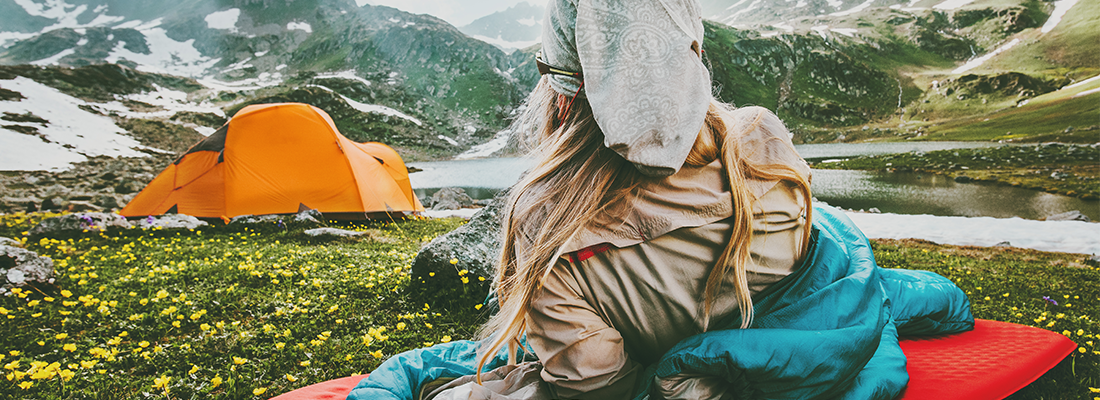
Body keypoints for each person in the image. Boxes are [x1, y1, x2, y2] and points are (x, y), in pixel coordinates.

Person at [348, 0, 973, 399]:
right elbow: (810, 251)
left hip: (691, 369)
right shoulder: (759, 135)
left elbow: (596, 384)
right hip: (819, 335)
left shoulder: (543, 223)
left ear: (566, 87)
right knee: (901, 288)